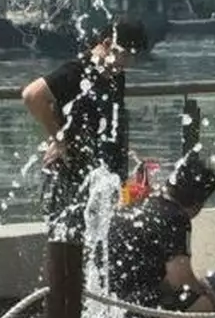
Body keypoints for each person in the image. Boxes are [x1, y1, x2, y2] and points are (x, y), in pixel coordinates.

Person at [21, 19, 150, 241]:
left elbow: (108, 121)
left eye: (133, 57)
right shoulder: (77, 71)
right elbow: (32, 95)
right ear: (107, 43)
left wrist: (128, 155)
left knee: (102, 244)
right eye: (126, 54)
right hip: (71, 174)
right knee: (67, 243)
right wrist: (59, 139)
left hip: (103, 176)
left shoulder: (115, 75)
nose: (129, 62)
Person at [106, 153, 215, 318]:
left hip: (104, 302)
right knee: (204, 305)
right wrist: (206, 291)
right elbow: (180, 278)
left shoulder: (142, 203)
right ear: (198, 203)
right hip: (129, 303)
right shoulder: (175, 217)